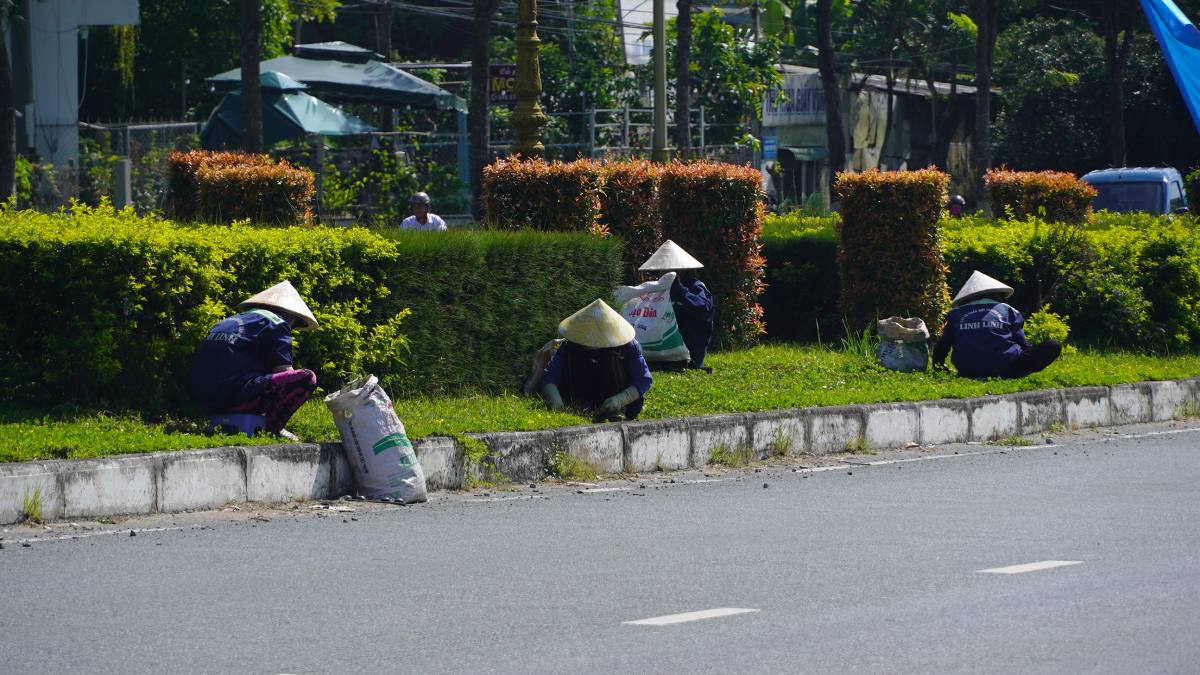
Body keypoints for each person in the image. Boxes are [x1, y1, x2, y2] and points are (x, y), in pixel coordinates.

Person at [189, 280, 319, 438]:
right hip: (233, 396)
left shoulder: (228, 321)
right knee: (306, 378)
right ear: (290, 316)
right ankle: (274, 426)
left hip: (201, 399)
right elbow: (284, 372)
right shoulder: (277, 323)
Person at [932, 270, 1061, 379]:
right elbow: (1022, 343)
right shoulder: (1009, 311)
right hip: (1005, 368)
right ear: (998, 295)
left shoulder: (956, 314)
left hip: (967, 370)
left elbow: (943, 345)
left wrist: (938, 365)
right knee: (1053, 345)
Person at [540, 299, 653, 422]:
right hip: (580, 396)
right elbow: (550, 375)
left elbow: (644, 379)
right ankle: (581, 405)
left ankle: (618, 411)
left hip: (617, 398)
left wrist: (620, 400)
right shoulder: (569, 345)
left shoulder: (628, 346)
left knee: (612, 359)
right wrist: (555, 400)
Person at [639, 240, 715, 370]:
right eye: (660, 270)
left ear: (680, 270)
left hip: (691, 350)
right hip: (663, 348)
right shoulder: (660, 288)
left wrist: (681, 292)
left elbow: (704, 309)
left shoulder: (695, 287)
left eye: (665, 269)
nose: (661, 274)